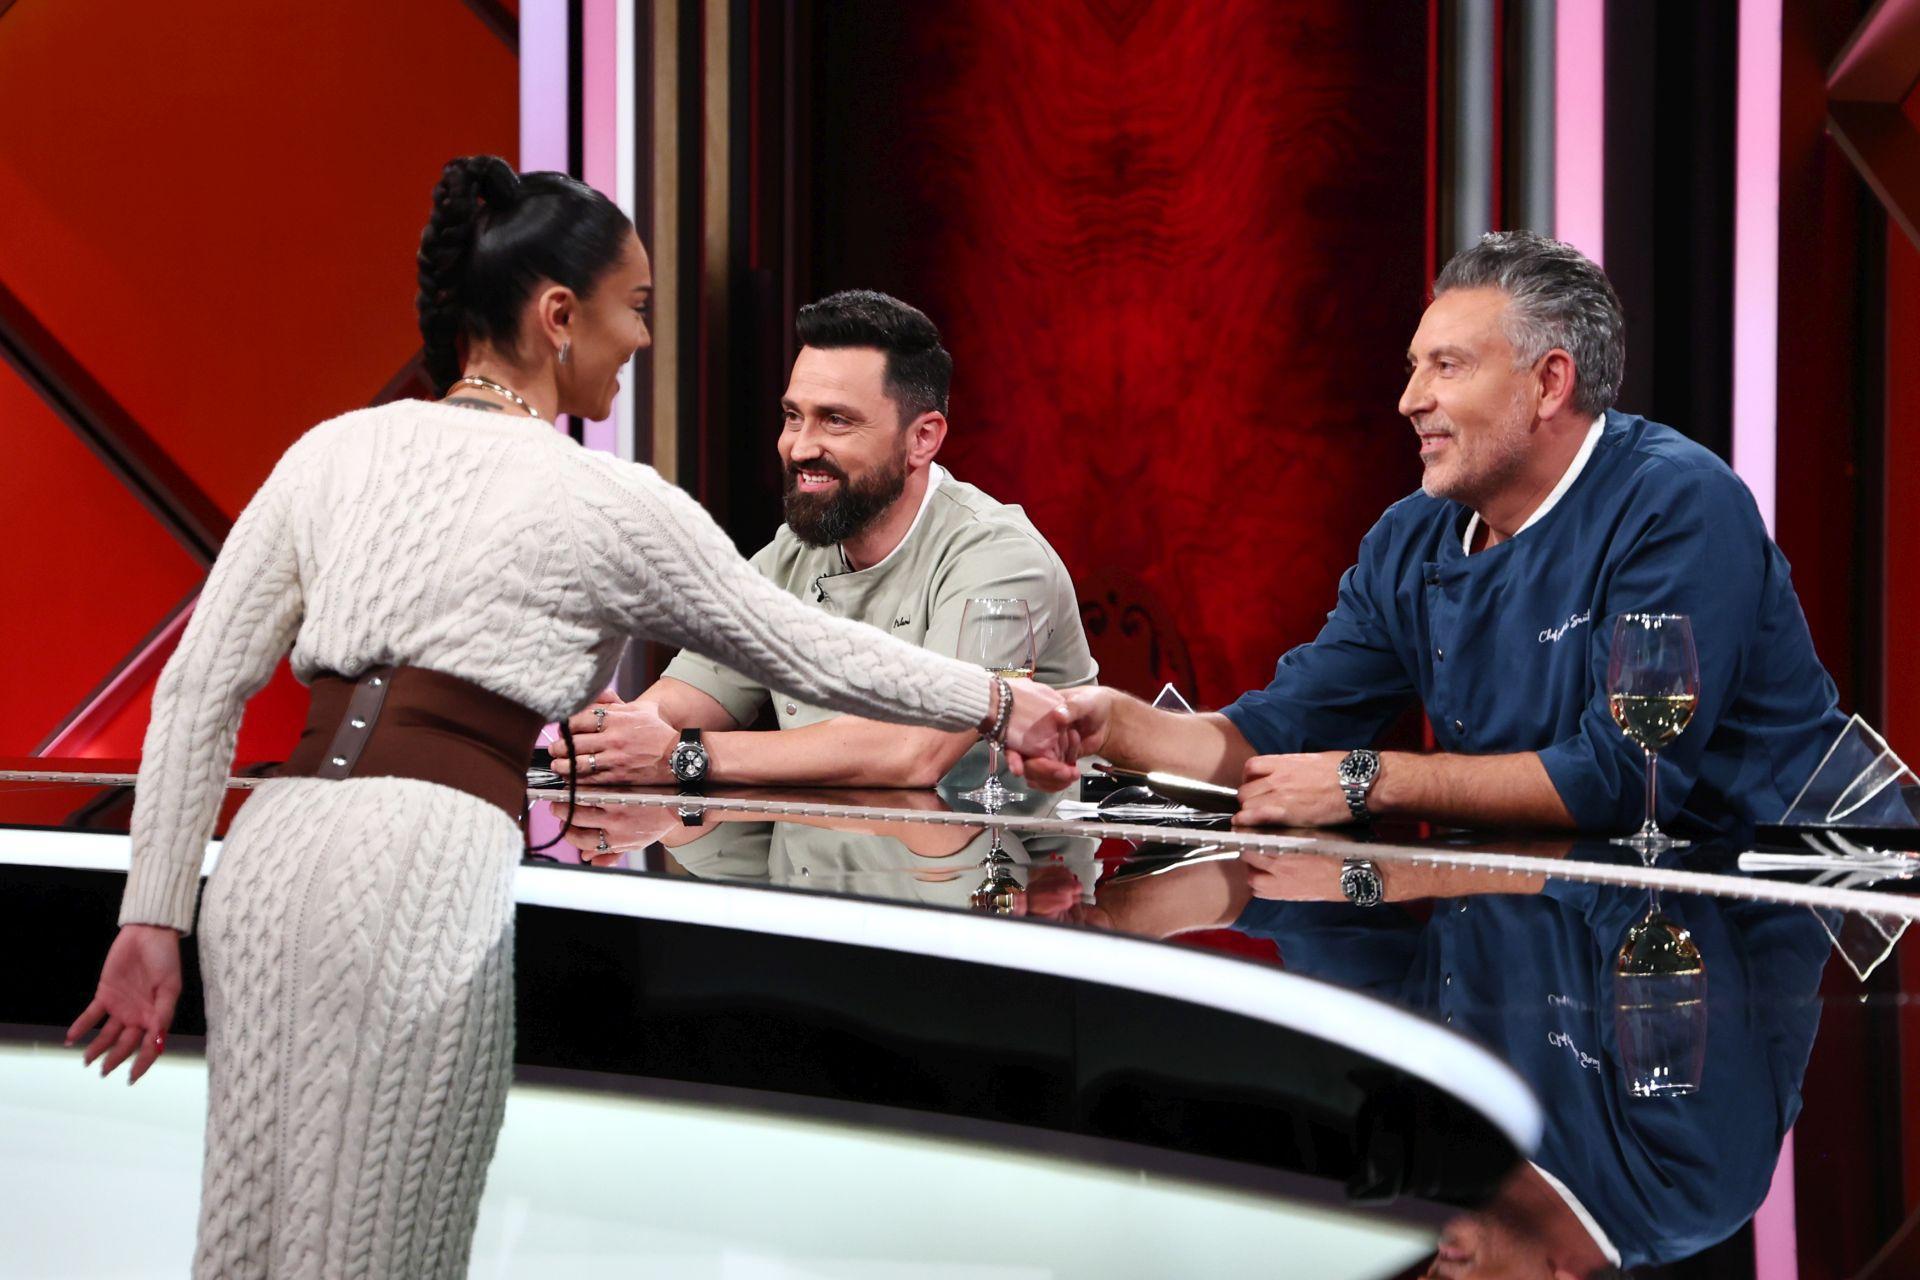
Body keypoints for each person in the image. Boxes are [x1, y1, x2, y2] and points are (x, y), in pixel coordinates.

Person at [64, 155, 1078, 1280]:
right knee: (389, 1245)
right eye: (632, 307)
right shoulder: (603, 497)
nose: (640, 338)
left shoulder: (332, 449)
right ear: (558, 317)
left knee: (247, 1233)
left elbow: (197, 690)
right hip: (419, 866)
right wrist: (997, 699)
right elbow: (809, 650)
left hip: (267, 858)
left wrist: (151, 915)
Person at [1037, 231, 1847, 837]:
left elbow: (1625, 779)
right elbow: (1282, 730)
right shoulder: (1413, 538)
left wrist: (1369, 780)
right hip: (1543, 910)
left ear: (1549, 383)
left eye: (1447, 367)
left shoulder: (1676, 503)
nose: (1410, 400)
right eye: (1414, 367)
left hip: (1776, 910)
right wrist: (1116, 725)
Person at [550, 289, 1096, 790]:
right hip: (826, 858)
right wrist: (619, 731)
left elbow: (916, 751)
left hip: (1009, 861)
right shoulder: (792, 554)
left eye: (836, 421)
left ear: (922, 438)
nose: (800, 447)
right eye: (794, 417)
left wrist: (683, 756)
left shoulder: (999, 556)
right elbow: (686, 699)